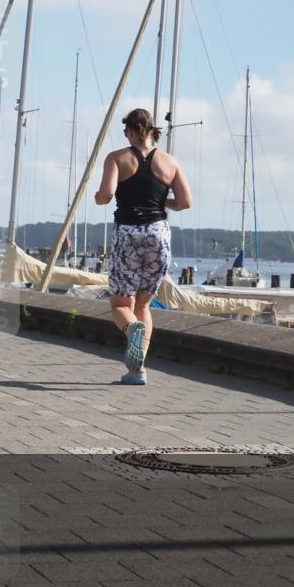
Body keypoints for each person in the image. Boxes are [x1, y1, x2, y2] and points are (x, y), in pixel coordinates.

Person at [94, 108, 192, 385]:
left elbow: (107, 194)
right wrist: (163, 203)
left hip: (128, 234)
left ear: (129, 131)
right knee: (144, 305)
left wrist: (98, 198)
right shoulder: (170, 162)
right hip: (158, 234)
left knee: (120, 304)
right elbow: (185, 202)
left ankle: (130, 329)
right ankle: (137, 371)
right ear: (152, 132)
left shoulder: (116, 158)